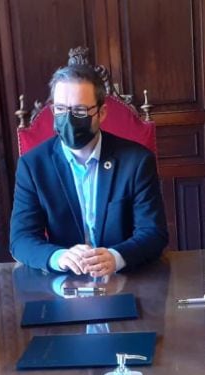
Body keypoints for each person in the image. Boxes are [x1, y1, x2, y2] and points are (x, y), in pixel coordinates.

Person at [9, 62, 168, 277]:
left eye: (80, 110)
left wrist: (116, 257)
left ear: (101, 113)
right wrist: (58, 257)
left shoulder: (136, 161)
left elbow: (154, 233)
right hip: (62, 282)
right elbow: (20, 239)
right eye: (61, 109)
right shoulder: (33, 166)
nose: (68, 118)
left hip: (126, 278)